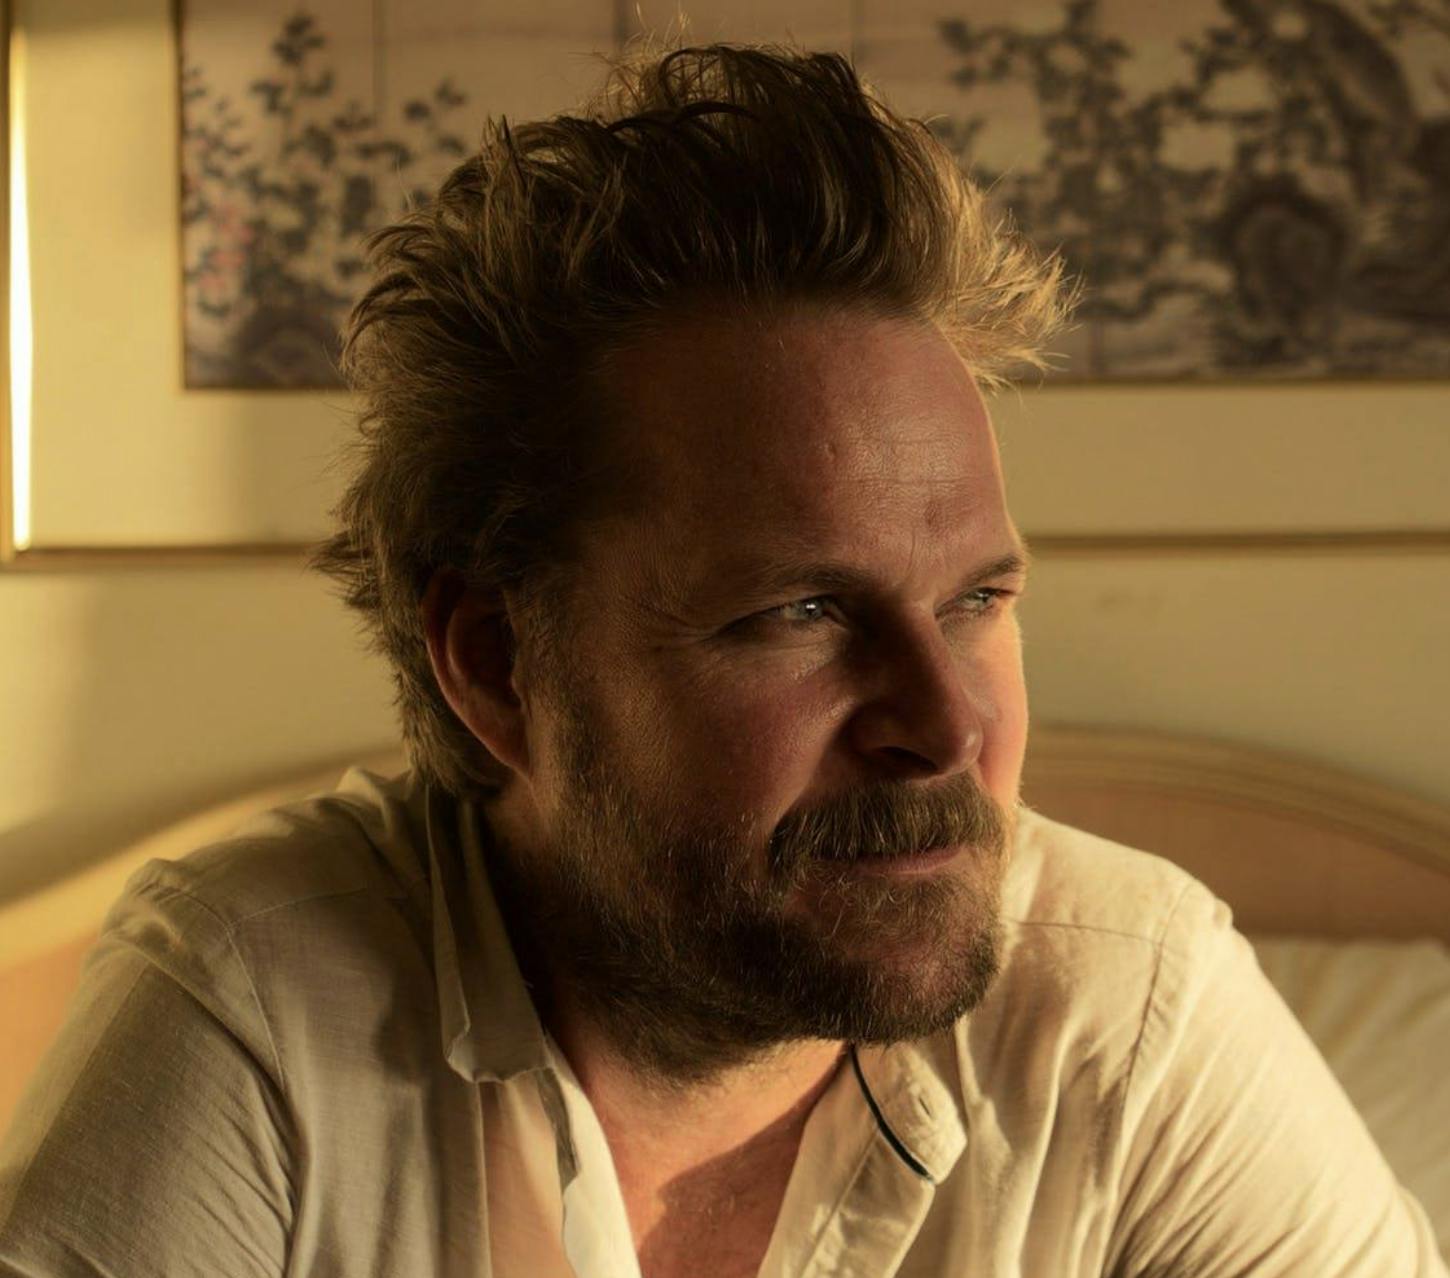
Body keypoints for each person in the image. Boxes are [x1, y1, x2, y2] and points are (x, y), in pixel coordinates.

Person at [0, 42, 1444, 1278]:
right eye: (798, 612)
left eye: (976, 599)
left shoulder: (1133, 1012)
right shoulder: (255, 1002)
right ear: (498, 665)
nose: (946, 726)